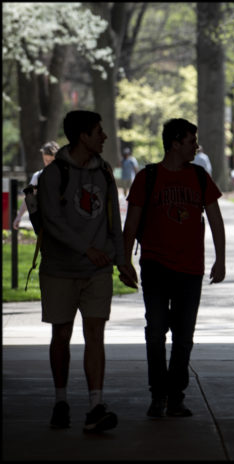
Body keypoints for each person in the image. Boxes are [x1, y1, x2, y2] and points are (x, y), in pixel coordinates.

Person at [38, 110, 137, 432]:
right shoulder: (54, 175)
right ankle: (60, 400)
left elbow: (113, 221)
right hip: (61, 270)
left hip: (98, 271)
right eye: (99, 131)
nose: (104, 137)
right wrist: (86, 249)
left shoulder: (105, 173)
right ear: (83, 136)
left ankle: (96, 405)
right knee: (61, 335)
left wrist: (122, 260)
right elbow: (52, 222)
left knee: (96, 335)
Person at [122, 118, 226, 418]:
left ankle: (176, 395)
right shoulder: (147, 177)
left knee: (184, 335)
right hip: (155, 266)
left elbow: (216, 219)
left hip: (191, 269)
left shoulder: (200, 176)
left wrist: (221, 258)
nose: (196, 146)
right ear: (175, 143)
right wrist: (125, 259)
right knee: (155, 331)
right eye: (192, 141)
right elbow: (132, 223)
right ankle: (158, 394)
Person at [13, 141, 59, 229]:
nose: (48, 163)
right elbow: (29, 197)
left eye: (51, 161)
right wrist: (19, 216)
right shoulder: (38, 176)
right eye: (46, 160)